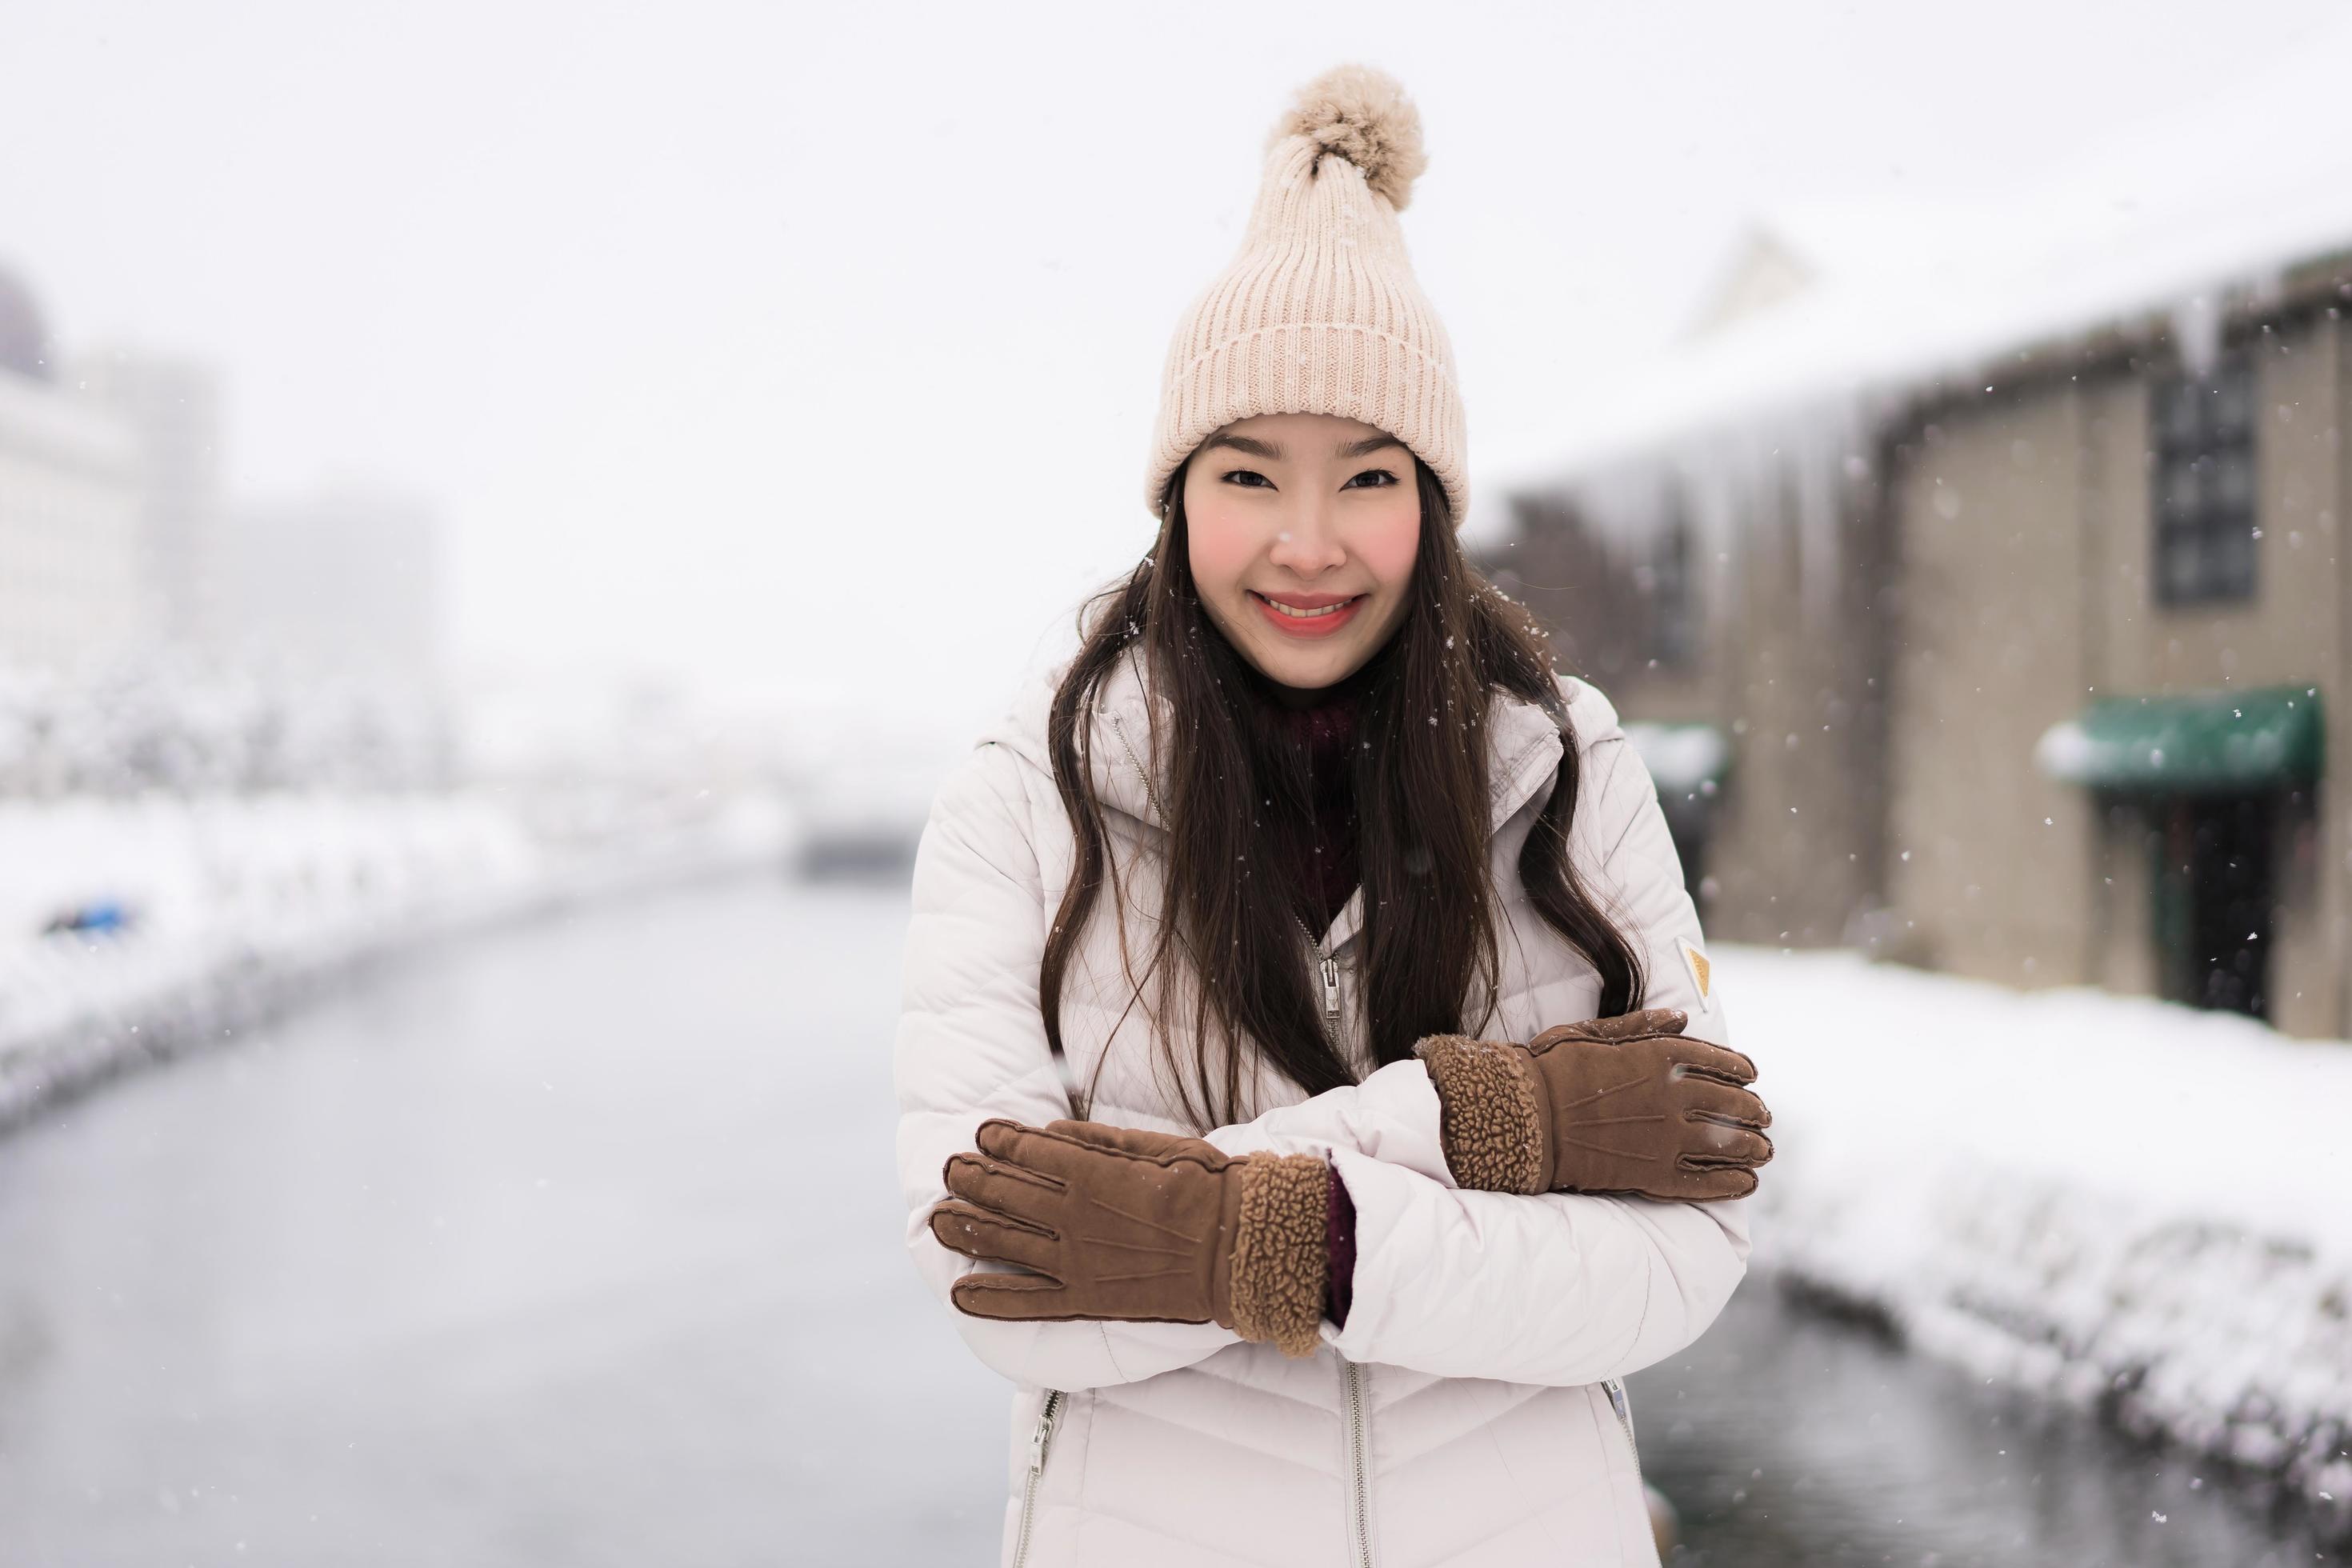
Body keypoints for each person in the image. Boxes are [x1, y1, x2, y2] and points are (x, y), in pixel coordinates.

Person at [893, 63, 1774, 1568]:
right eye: (1249, 475)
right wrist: (1513, 1126)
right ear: (1179, 500)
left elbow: (1683, 1257)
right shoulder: (1022, 801)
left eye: (1367, 476)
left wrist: (1226, 1240)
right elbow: (1009, 1274)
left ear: (1432, 502)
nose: (1309, 544)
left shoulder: (1566, 768)